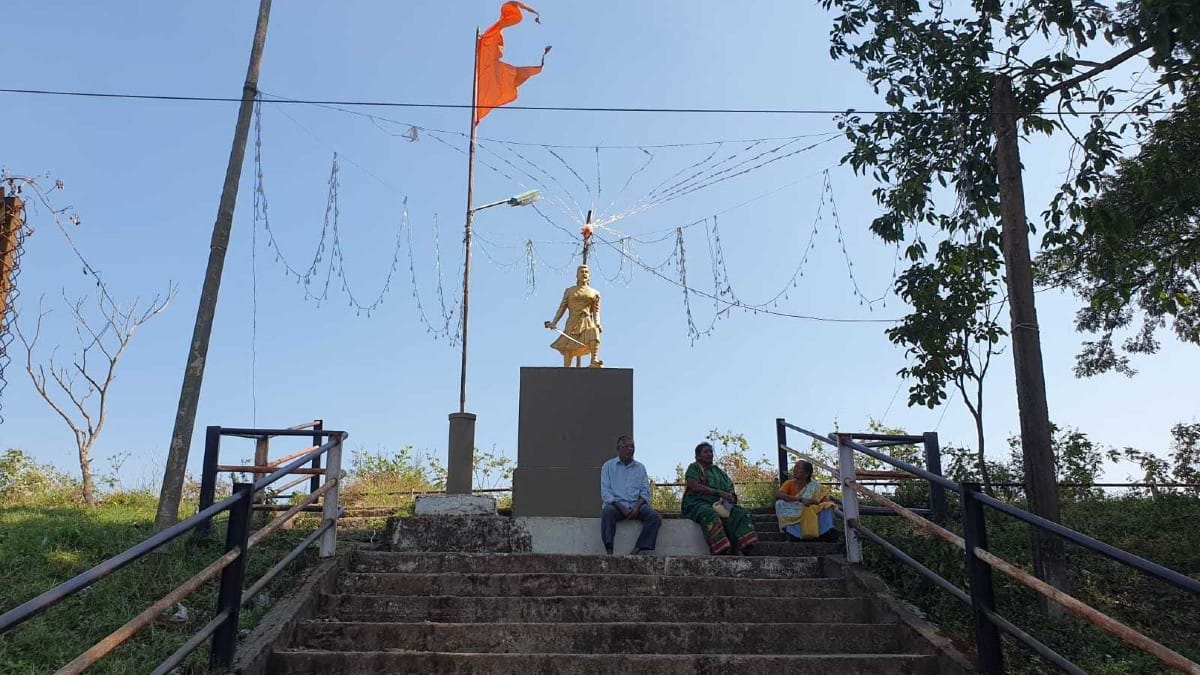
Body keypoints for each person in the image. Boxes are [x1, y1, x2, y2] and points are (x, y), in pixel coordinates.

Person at [682, 442, 758, 555]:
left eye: (711, 451)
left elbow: (730, 489)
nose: (709, 454)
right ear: (698, 456)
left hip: (721, 504)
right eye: (705, 452)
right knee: (709, 513)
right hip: (697, 503)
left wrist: (730, 497)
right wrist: (718, 492)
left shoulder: (719, 472)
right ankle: (721, 548)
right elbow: (693, 486)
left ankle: (745, 545)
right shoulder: (694, 467)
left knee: (741, 513)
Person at [600, 435, 661, 555]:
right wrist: (622, 508)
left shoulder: (640, 468)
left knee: (654, 516)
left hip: (636, 506)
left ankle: (639, 548)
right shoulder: (608, 466)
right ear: (618, 448)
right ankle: (609, 550)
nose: (630, 449)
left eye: (632, 446)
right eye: (626, 446)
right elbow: (606, 493)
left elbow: (645, 492)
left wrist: (637, 508)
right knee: (607, 511)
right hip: (617, 506)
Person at [545, 264, 603, 368]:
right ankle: (567, 368)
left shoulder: (595, 293)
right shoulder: (570, 291)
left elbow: (596, 311)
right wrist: (554, 322)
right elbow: (562, 308)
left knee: (594, 332)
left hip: (586, 321)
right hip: (573, 321)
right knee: (569, 345)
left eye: (586, 272)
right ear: (577, 275)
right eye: (581, 272)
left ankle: (594, 360)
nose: (584, 274)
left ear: (589, 275)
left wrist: (598, 323)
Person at [775, 460, 838, 542]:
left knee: (828, 505)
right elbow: (779, 495)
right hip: (794, 508)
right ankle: (793, 534)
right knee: (779, 504)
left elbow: (823, 500)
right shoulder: (789, 483)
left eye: (798, 468)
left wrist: (812, 502)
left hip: (810, 508)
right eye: (795, 467)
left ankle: (825, 533)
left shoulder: (815, 486)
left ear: (806, 473)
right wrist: (800, 499)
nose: (795, 470)